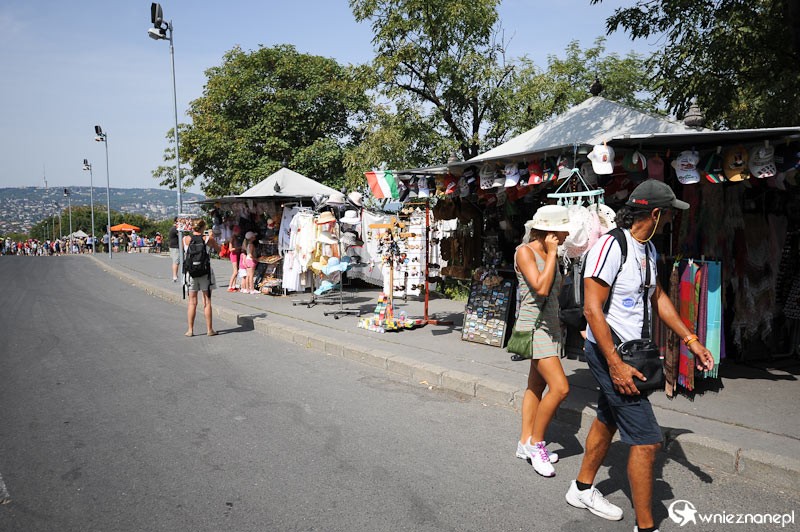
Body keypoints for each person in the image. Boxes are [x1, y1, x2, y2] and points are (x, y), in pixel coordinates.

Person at [565, 180, 715, 532]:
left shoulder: (647, 249)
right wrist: (615, 365)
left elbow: (658, 296)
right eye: (667, 216)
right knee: (647, 442)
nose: (668, 223)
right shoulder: (611, 246)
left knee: (608, 417)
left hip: (631, 355)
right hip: (612, 354)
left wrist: (690, 339)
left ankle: (582, 488)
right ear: (657, 213)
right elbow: (591, 310)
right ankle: (646, 527)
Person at [513, 205, 572, 477]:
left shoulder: (552, 255)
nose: (567, 233)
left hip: (550, 326)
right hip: (533, 326)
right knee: (560, 388)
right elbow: (541, 286)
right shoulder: (524, 252)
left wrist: (553, 257)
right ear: (549, 230)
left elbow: (556, 289)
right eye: (563, 228)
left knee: (535, 385)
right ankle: (537, 445)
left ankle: (525, 442)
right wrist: (550, 255)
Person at [183, 219, 220, 337]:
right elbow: (219, 251)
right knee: (207, 302)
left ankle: (190, 330)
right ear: (203, 228)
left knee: (192, 302)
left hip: (191, 274)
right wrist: (211, 237)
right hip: (205, 273)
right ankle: (209, 330)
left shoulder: (186, 239)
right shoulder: (208, 239)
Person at [227, 226, 242, 292]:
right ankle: (230, 286)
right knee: (235, 271)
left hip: (236, 254)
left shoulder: (236, 237)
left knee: (237, 271)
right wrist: (239, 248)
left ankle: (234, 285)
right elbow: (230, 249)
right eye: (238, 231)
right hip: (234, 255)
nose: (239, 233)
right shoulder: (232, 238)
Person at [168, 217, 180, 282]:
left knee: (176, 261)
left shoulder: (174, 228)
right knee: (176, 262)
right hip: (175, 247)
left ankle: (175, 275)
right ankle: (175, 276)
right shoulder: (175, 229)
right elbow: (180, 235)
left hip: (174, 246)